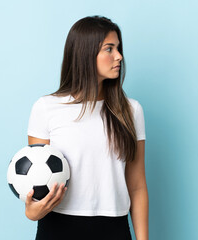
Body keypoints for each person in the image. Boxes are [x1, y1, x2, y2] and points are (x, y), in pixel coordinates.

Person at [25, 15, 148, 240]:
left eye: (118, 48)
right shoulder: (46, 108)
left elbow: (137, 186)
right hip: (59, 227)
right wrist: (32, 211)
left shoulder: (131, 110)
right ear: (86, 54)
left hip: (115, 228)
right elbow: (37, 184)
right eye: (109, 49)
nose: (119, 56)